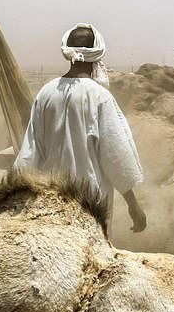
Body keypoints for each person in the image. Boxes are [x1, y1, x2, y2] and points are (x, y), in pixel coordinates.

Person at [15, 24, 146, 232]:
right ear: (97, 54)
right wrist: (133, 205)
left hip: (50, 205)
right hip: (90, 206)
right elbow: (116, 157)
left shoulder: (46, 93)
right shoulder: (100, 97)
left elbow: (30, 152)